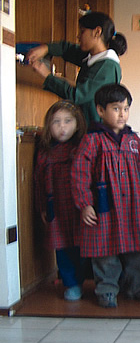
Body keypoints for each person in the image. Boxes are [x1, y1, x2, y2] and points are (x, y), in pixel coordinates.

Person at [72, 83, 140, 308]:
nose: (122, 114)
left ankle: (137, 287)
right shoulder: (92, 140)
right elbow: (79, 174)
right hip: (104, 206)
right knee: (104, 251)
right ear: (100, 110)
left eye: (126, 109)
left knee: (136, 251)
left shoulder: (134, 141)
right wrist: (85, 204)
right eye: (116, 108)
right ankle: (107, 290)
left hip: (133, 207)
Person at [26, 12, 128, 125]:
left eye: (82, 31)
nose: (78, 36)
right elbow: (66, 49)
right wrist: (46, 48)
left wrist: (47, 76)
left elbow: (76, 95)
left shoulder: (107, 67)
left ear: (97, 32)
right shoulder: (93, 57)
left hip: (94, 134)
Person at [34, 100, 88, 301]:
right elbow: (38, 181)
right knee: (62, 247)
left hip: (79, 207)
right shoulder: (45, 151)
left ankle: (82, 280)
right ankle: (71, 283)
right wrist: (42, 206)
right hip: (55, 207)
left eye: (67, 121)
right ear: (48, 125)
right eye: (56, 122)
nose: (62, 127)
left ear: (77, 123)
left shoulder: (82, 146)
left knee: (82, 247)